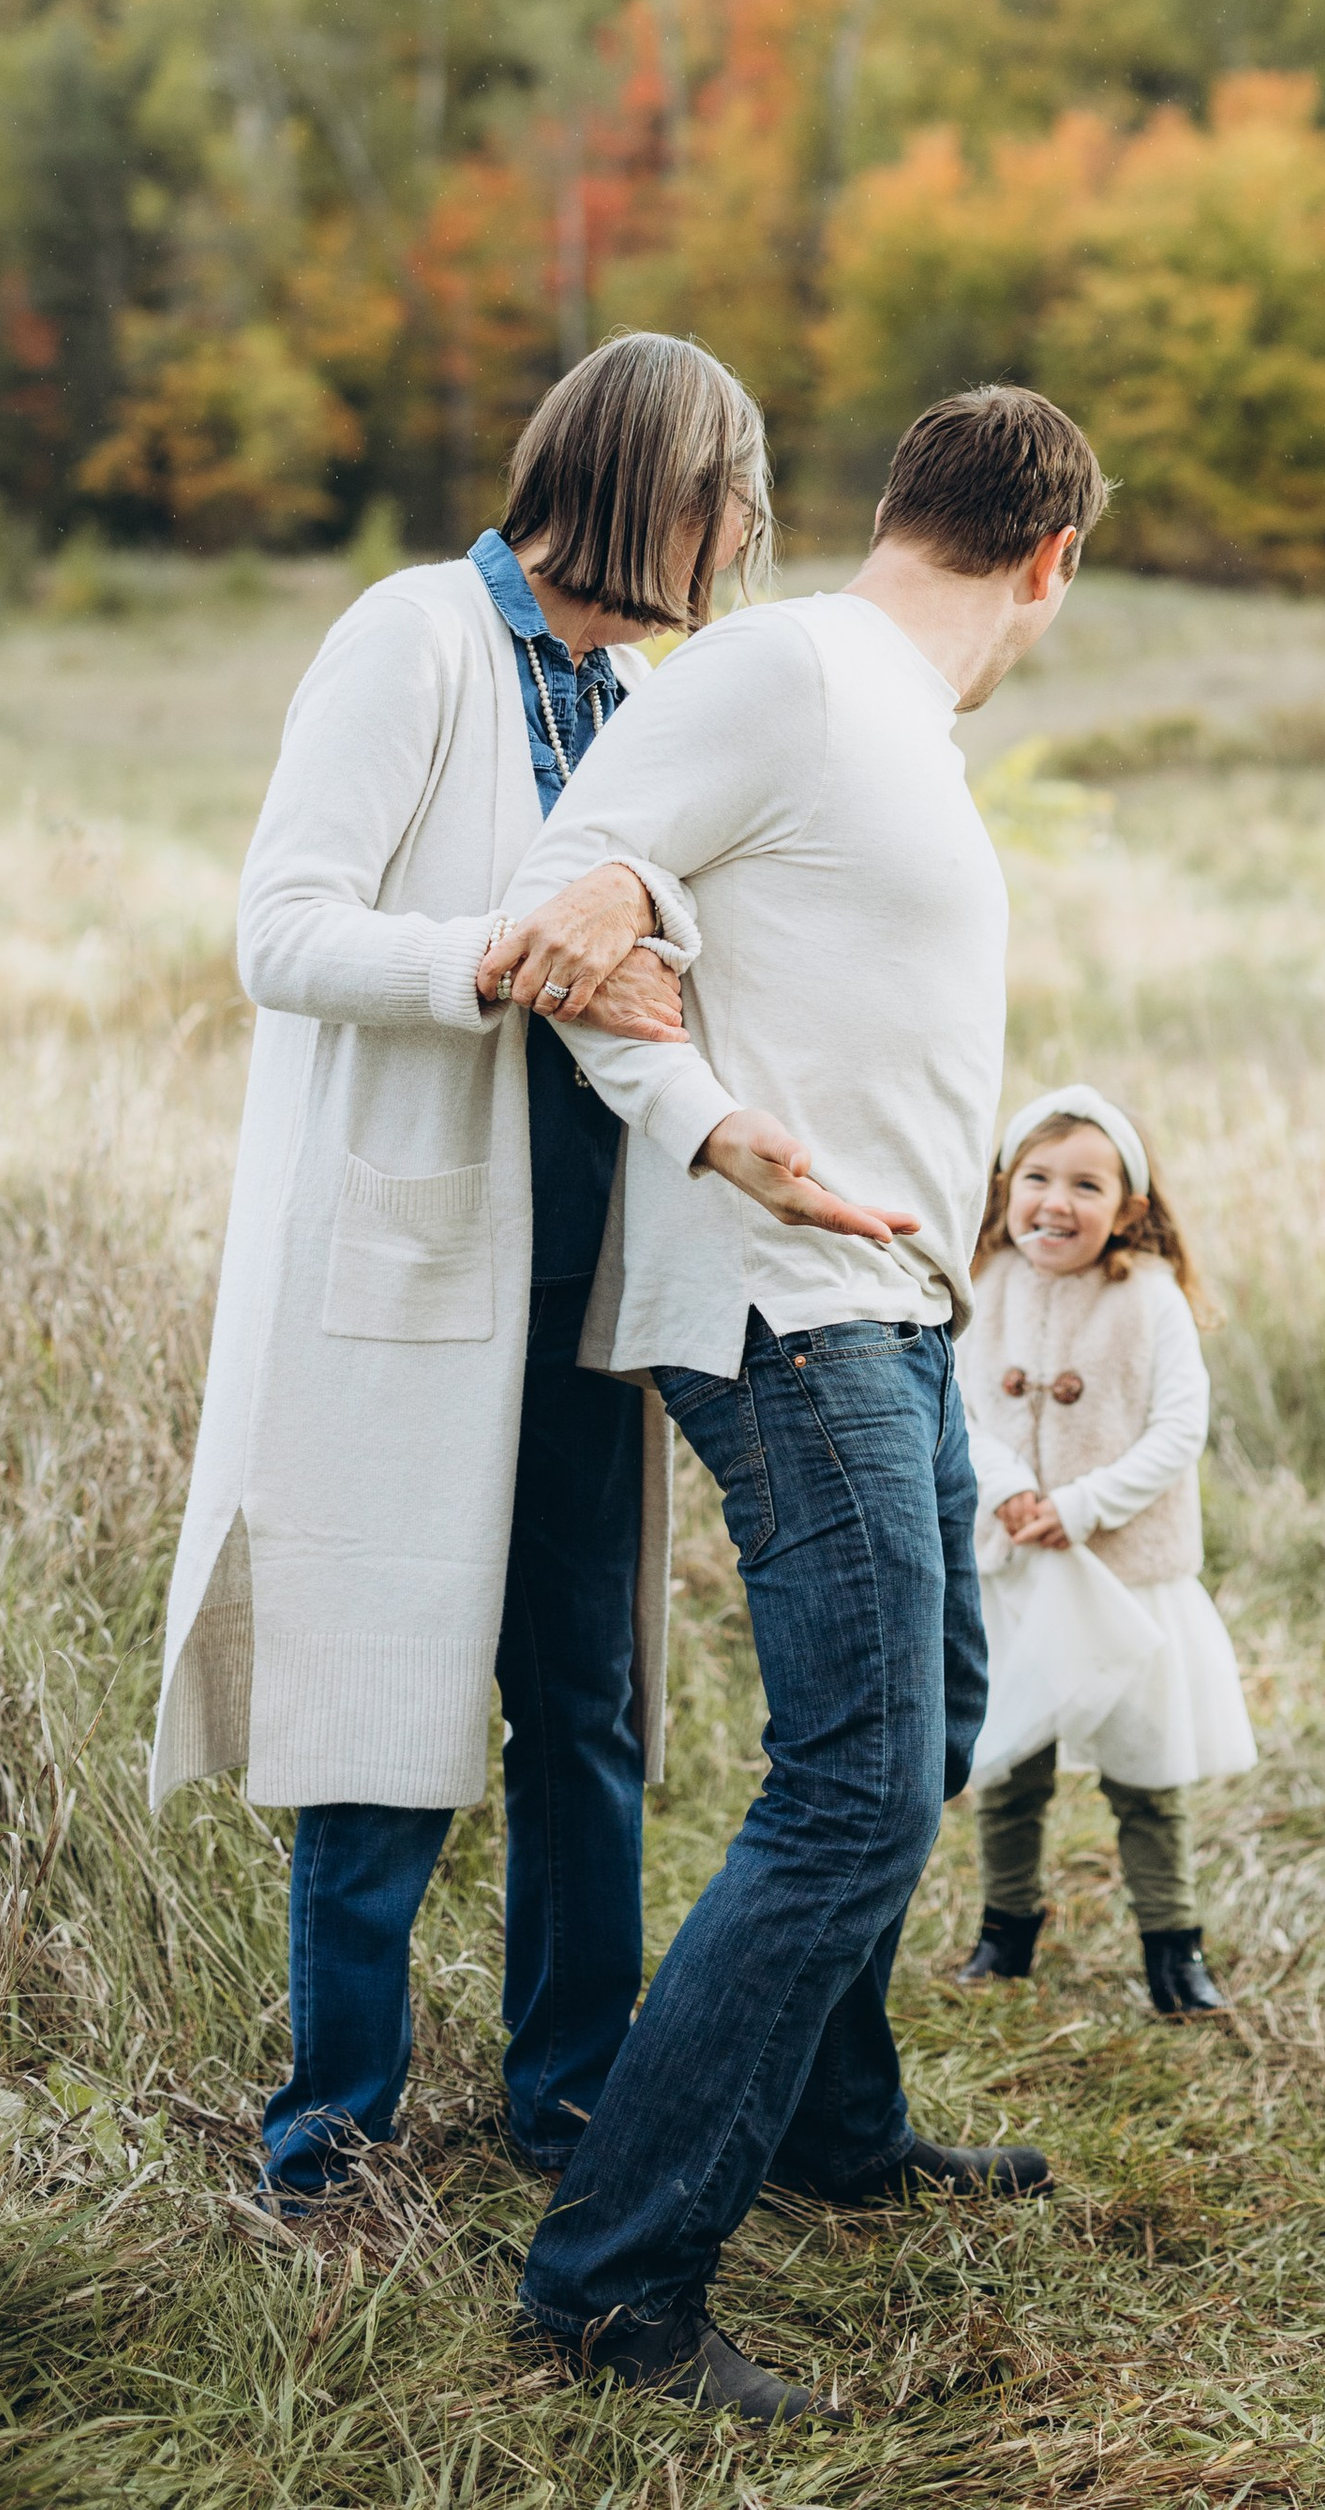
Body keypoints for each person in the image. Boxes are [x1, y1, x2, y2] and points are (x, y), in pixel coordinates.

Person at [476, 385, 1108, 2430]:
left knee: (917, 1724)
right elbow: (574, 896)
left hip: (890, 1303)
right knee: (849, 1780)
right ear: (1050, 562)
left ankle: (838, 2133)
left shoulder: (880, 718)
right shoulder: (792, 668)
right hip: (785, 1305)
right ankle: (607, 2282)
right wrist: (719, 1125)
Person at [149, 334, 773, 2209]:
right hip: (414, 1284)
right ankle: (329, 2139)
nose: (747, 537)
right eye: (733, 497)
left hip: (592, 1284)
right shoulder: (412, 638)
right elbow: (281, 928)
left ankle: (569, 2101)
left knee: (581, 1702)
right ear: (657, 487)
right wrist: (499, 960)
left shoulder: (648, 688)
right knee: (378, 1701)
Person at [950, 1085, 1255, 2020]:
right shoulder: (984, 1288)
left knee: (1144, 1767)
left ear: (1129, 1206)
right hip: (1015, 1563)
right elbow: (958, 1408)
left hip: (1121, 1565)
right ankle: (1005, 1933)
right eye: (1037, 1178)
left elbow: (1178, 1429)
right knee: (1010, 1763)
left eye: (1087, 1184)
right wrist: (1008, 1492)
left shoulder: (1149, 1299)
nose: (1057, 1202)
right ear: (1004, 1188)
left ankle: (1173, 1945)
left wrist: (1080, 1506)